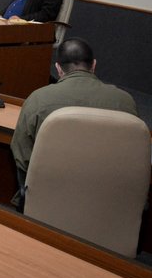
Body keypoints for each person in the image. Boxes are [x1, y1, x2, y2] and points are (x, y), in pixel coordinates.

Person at [10, 38, 138, 190]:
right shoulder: (125, 102)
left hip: (48, 198)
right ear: (94, 65)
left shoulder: (38, 99)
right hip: (108, 200)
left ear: (58, 69)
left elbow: (22, 158)